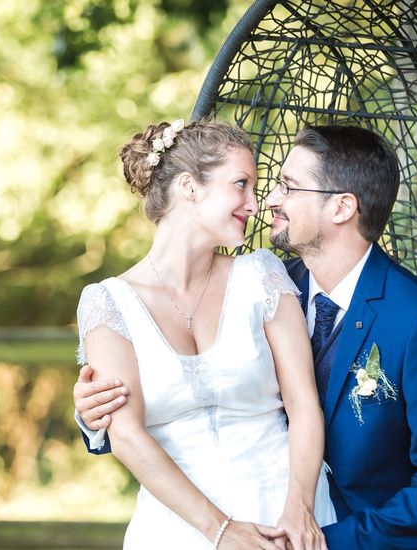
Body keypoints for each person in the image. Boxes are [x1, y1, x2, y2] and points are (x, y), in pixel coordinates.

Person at [75, 124, 417, 548]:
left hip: (340, 530)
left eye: (288, 187)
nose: (266, 201)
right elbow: (149, 415)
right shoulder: (272, 283)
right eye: (248, 186)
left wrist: (329, 540)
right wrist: (95, 414)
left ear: (342, 207)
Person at [74, 119, 337, 550]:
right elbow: (125, 435)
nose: (254, 205)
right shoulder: (109, 303)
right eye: (241, 184)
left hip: (286, 512)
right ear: (189, 187)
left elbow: (303, 401)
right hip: (178, 526)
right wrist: (220, 530)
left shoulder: (261, 275)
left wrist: (300, 506)